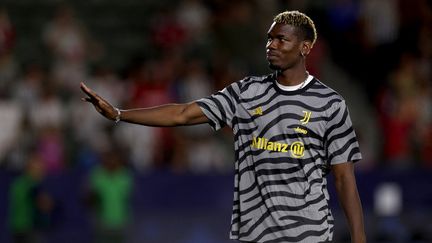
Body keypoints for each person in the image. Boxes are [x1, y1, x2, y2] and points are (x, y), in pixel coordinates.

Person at [81, 10, 366, 243]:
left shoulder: (330, 103)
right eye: (269, 39)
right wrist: (119, 114)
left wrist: (359, 238)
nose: (271, 46)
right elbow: (182, 114)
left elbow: (344, 178)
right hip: (255, 234)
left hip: (310, 235)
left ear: (305, 47)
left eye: (281, 40)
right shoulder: (246, 92)